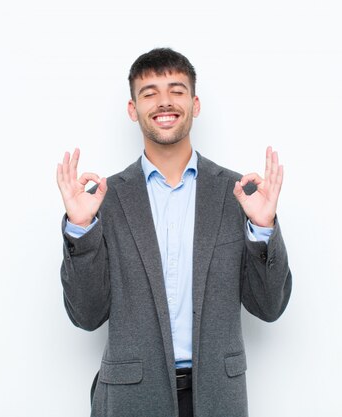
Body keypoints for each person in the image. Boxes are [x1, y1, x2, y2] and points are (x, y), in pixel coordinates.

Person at [56, 48, 292, 417]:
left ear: (195, 104)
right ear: (133, 110)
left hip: (218, 398)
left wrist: (262, 228)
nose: (164, 102)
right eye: (149, 92)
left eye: (176, 90)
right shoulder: (104, 200)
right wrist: (81, 229)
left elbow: (269, 307)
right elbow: (86, 315)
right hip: (131, 400)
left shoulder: (239, 195)